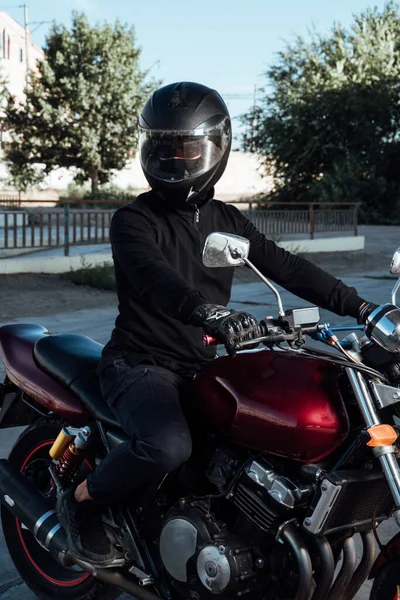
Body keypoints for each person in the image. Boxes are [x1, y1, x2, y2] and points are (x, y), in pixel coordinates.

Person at [58, 81, 377, 566]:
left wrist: (363, 309)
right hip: (141, 365)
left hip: (203, 365)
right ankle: (81, 501)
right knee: (167, 445)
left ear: (215, 148)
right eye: (163, 147)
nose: (174, 159)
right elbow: (155, 278)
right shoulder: (133, 219)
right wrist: (208, 312)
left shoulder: (228, 220)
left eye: (186, 147)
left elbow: (287, 267)